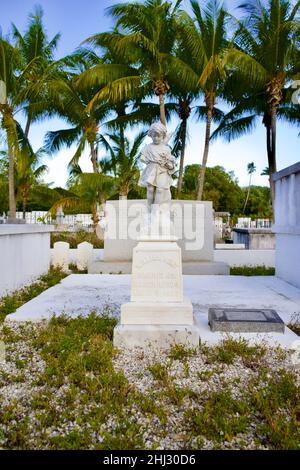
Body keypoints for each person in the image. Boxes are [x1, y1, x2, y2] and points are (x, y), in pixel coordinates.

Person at [139, 122, 176, 212]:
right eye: (154, 136)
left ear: (163, 136)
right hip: (151, 170)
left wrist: (169, 165)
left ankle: (155, 209)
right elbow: (142, 158)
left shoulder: (166, 148)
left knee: (160, 190)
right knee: (150, 189)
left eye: (158, 136)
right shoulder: (148, 147)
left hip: (162, 171)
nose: (156, 138)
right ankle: (149, 208)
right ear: (150, 135)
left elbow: (171, 163)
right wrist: (147, 160)